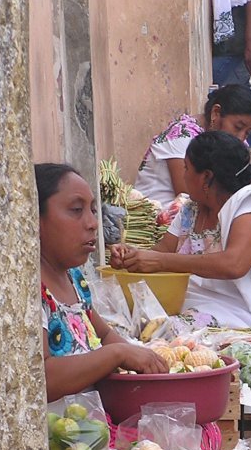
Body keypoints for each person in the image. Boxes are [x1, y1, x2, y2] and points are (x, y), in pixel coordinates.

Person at [110, 132, 251, 357]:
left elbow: (233, 264)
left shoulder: (250, 206)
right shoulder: (190, 209)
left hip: (240, 312)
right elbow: (163, 250)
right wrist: (132, 256)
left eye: (187, 169)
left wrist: (160, 261)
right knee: (129, 328)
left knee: (163, 339)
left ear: (206, 177)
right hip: (191, 304)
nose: (183, 176)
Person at [37, 163, 168, 403]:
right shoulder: (32, 291)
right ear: (35, 219)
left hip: (93, 421)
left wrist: (145, 359)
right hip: (61, 431)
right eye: (76, 210)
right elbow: (40, 380)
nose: (92, 223)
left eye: (93, 210)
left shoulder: (73, 278)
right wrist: (117, 354)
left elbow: (105, 334)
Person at [135, 85, 251, 206]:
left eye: (248, 132)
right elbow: (187, 197)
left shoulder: (231, 142)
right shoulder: (181, 136)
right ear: (216, 113)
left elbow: (246, 182)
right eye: (238, 127)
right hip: (161, 215)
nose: (241, 137)